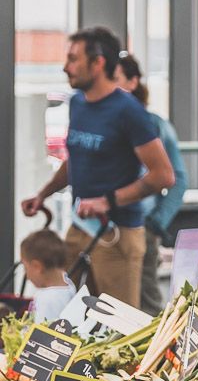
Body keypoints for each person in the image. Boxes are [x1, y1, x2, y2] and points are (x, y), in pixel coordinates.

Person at [21, 26, 176, 309]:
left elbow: (163, 175)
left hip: (118, 236)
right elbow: (76, 158)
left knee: (116, 329)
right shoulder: (77, 103)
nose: (65, 67)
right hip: (79, 228)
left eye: (73, 59)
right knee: (63, 313)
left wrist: (108, 201)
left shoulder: (128, 111)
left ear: (98, 63)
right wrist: (43, 194)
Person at [115, 53, 188, 314]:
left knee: (146, 305)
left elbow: (177, 179)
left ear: (133, 81)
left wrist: (156, 223)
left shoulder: (154, 125)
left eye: (117, 78)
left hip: (142, 226)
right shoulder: (104, 122)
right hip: (103, 229)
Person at [20, 228, 77, 322]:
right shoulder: (67, 284)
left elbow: (40, 334)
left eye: (26, 268)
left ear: (37, 267)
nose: (27, 276)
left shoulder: (47, 300)